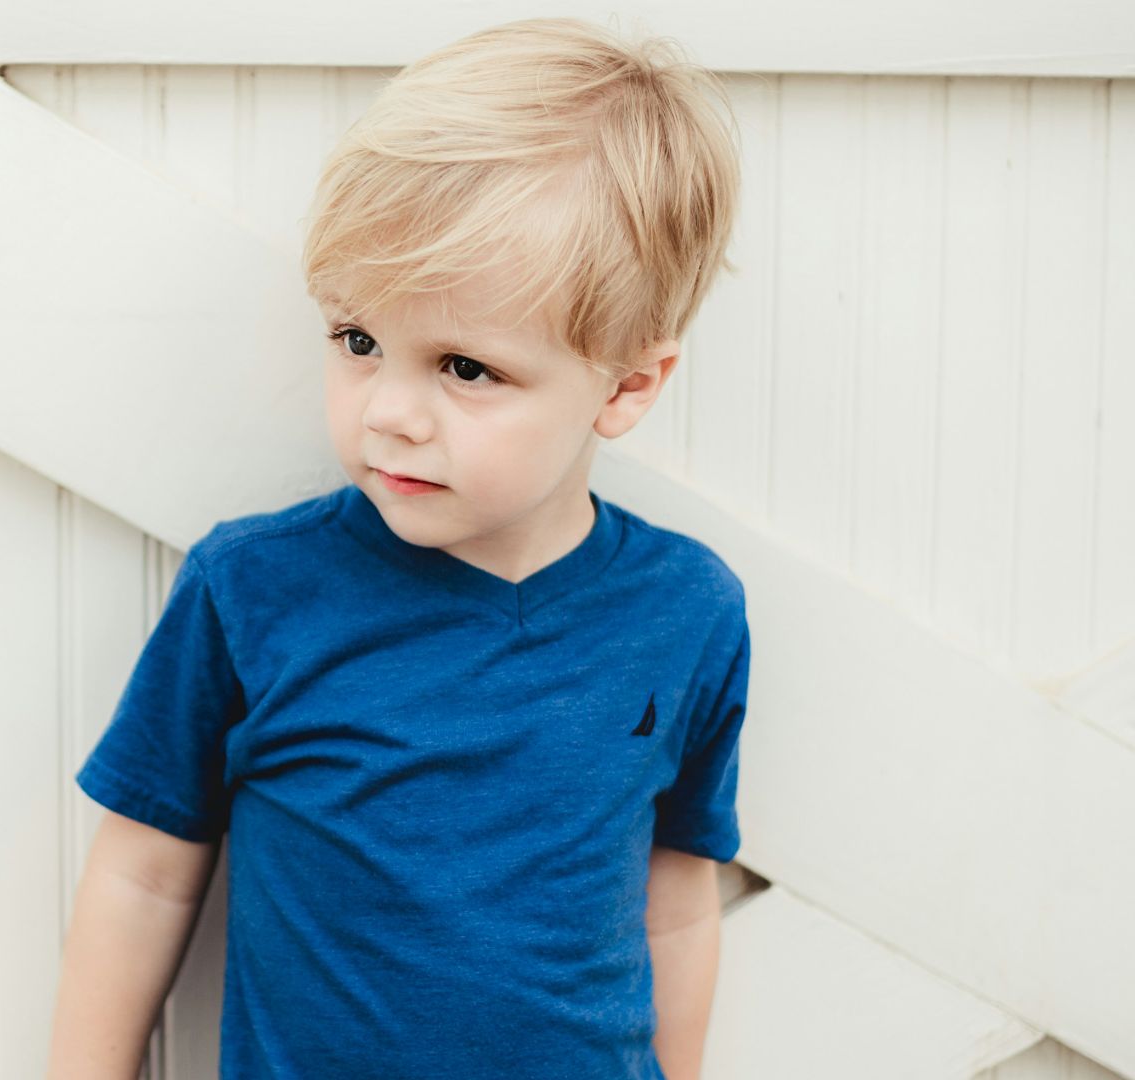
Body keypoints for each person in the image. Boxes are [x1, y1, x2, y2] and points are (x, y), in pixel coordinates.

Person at [46, 16, 749, 1080]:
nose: (389, 414)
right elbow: (145, 874)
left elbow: (678, 896)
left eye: (465, 367)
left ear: (627, 384)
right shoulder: (255, 590)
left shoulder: (686, 611)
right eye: (359, 342)